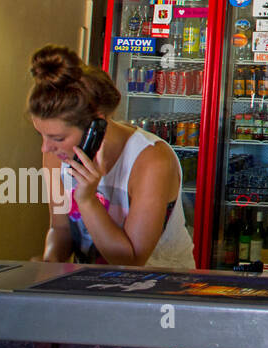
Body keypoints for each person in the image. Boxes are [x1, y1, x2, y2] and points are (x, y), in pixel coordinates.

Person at [30, 45, 195, 270]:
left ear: (93, 126)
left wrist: (87, 200)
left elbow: (129, 261)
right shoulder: (56, 155)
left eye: (57, 138)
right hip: (92, 288)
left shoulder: (152, 159)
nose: (45, 148)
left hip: (159, 292)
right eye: (42, 135)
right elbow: (60, 229)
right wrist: (48, 263)